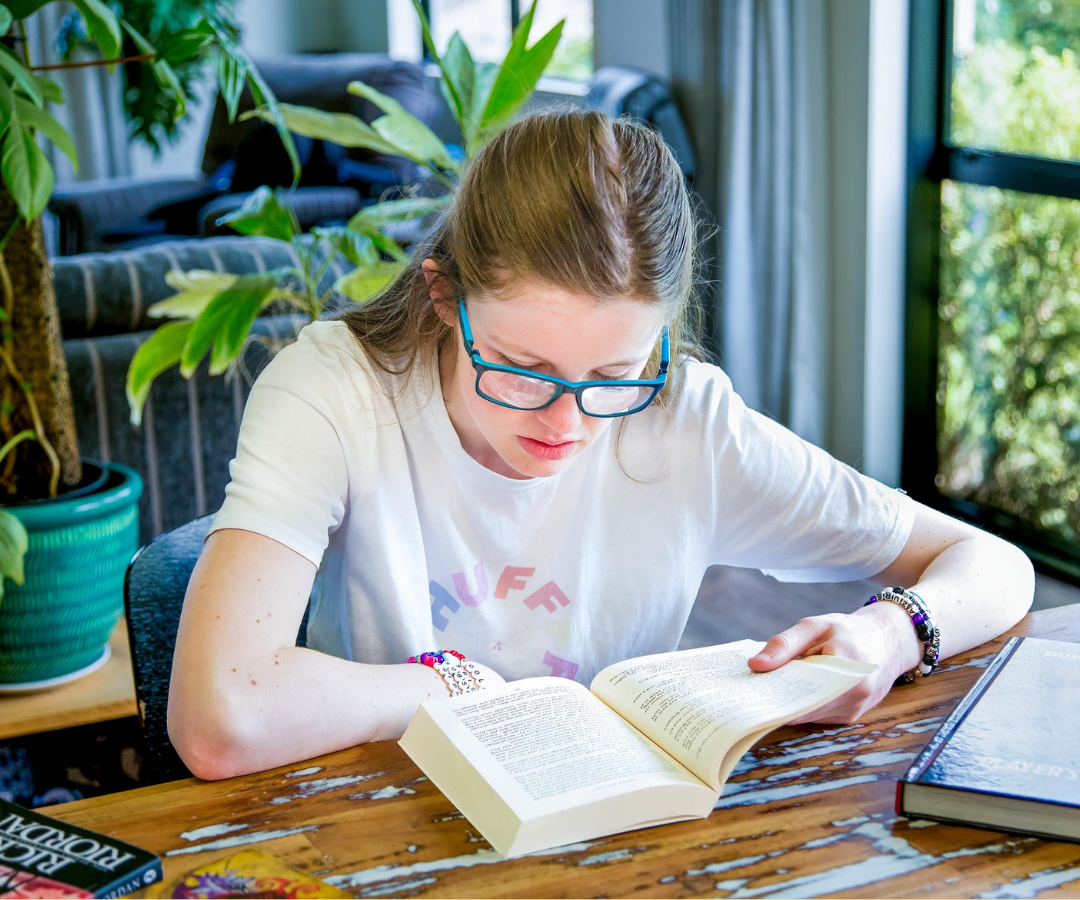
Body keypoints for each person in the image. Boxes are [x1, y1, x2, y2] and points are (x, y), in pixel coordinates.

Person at [168, 110, 1034, 781]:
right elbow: (219, 717)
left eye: (614, 375)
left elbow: (991, 564)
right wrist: (460, 687)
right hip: (389, 808)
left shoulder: (686, 417)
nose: (568, 423)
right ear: (443, 297)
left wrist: (893, 630)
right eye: (520, 368)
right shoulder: (334, 390)